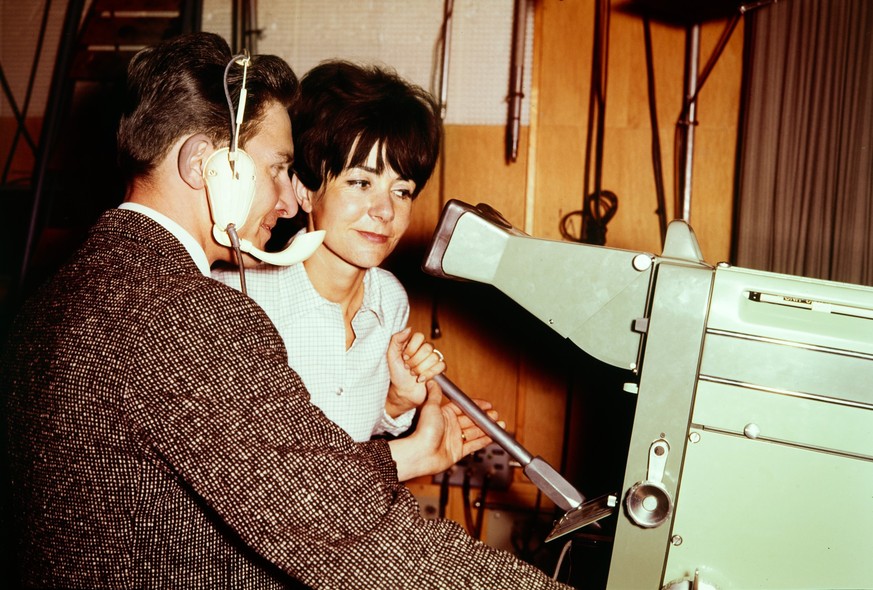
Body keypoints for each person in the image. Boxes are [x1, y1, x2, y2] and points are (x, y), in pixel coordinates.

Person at [0, 32, 572, 589]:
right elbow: (327, 518)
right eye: (275, 168)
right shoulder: (183, 311)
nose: (283, 196)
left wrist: (397, 417)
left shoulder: (60, 290)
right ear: (207, 164)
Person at [214, 60, 444, 443]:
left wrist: (397, 403)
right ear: (305, 190)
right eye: (360, 182)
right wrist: (412, 455)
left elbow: (351, 439)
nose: (385, 211)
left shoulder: (390, 300)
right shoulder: (237, 297)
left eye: (401, 190)